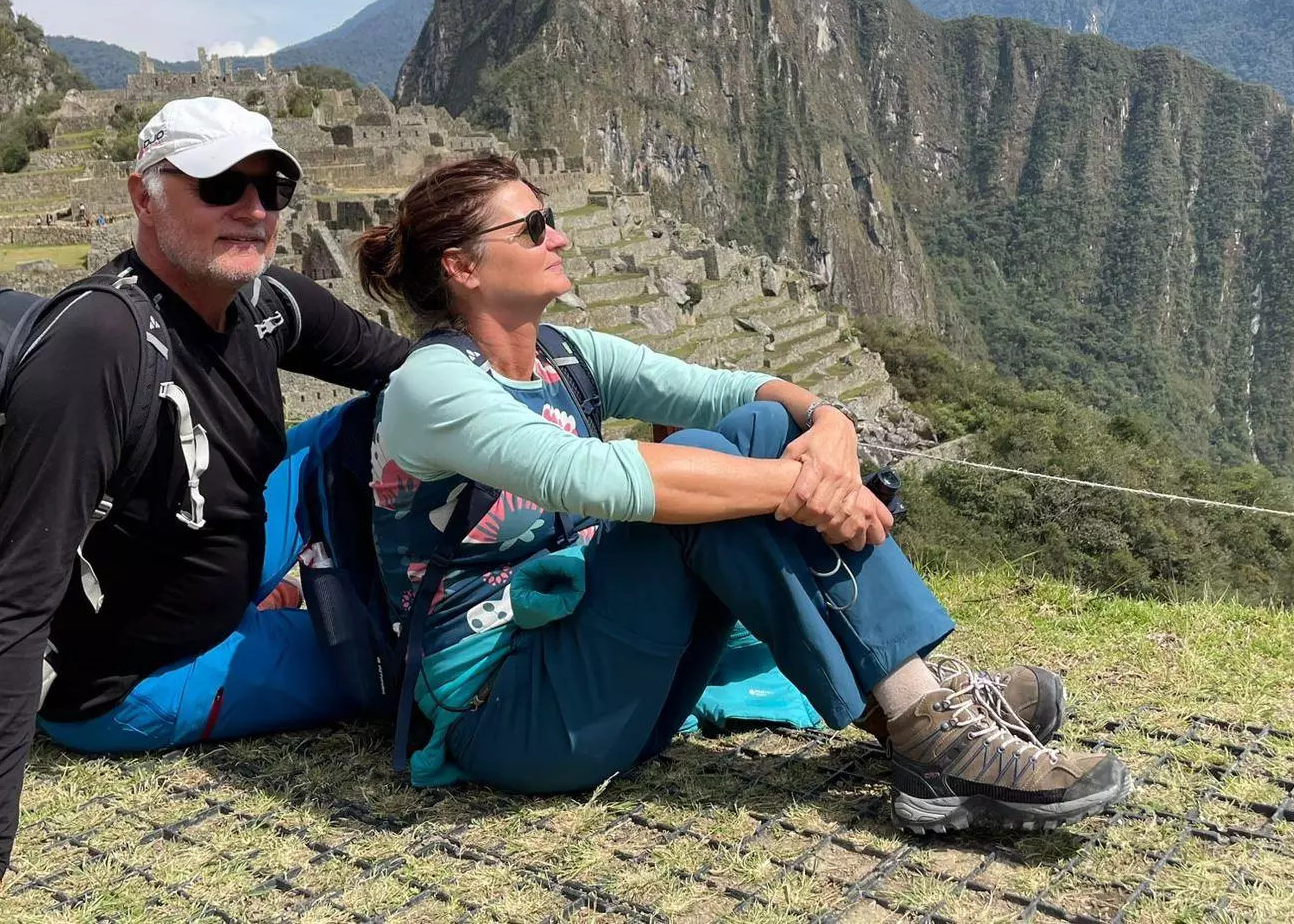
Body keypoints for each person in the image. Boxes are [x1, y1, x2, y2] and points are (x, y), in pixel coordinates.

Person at [354, 155, 1132, 836]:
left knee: (757, 424)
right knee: (696, 467)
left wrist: (829, 428)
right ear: (463, 267)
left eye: (552, 219)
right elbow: (594, 478)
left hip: (600, 674)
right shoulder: (433, 384)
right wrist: (808, 487)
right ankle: (927, 724)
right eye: (532, 228)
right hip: (511, 714)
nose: (558, 237)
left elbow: (738, 390)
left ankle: (918, 708)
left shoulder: (565, 355)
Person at [0, 98, 411, 924]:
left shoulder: (264, 302)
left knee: (381, 415)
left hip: (221, 543)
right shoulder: (99, 346)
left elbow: (415, 375)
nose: (252, 208)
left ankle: (419, 571)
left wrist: (559, 413)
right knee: (396, 661)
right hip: (135, 680)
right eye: (217, 185)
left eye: (271, 186)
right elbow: (18, 594)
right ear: (145, 196)